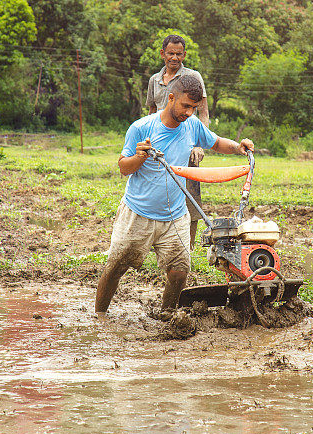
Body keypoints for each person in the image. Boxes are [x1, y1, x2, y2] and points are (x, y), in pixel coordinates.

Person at [97, 75, 253, 319]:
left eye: (194, 107)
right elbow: (123, 167)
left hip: (174, 215)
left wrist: (237, 147)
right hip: (138, 213)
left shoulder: (192, 126)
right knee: (116, 267)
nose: (189, 112)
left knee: (179, 271)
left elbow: (216, 142)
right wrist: (140, 157)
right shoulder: (141, 128)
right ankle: (100, 316)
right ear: (170, 98)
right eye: (185, 106)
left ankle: (168, 315)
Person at [146, 34, 209, 248]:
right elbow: (151, 113)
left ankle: (187, 246)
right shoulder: (154, 80)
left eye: (179, 54)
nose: (174, 58)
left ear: (184, 55)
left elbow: (203, 113)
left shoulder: (193, 77)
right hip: (160, 146)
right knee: (157, 190)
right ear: (162, 54)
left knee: (190, 195)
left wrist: (199, 144)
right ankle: (157, 242)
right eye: (170, 53)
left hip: (186, 144)